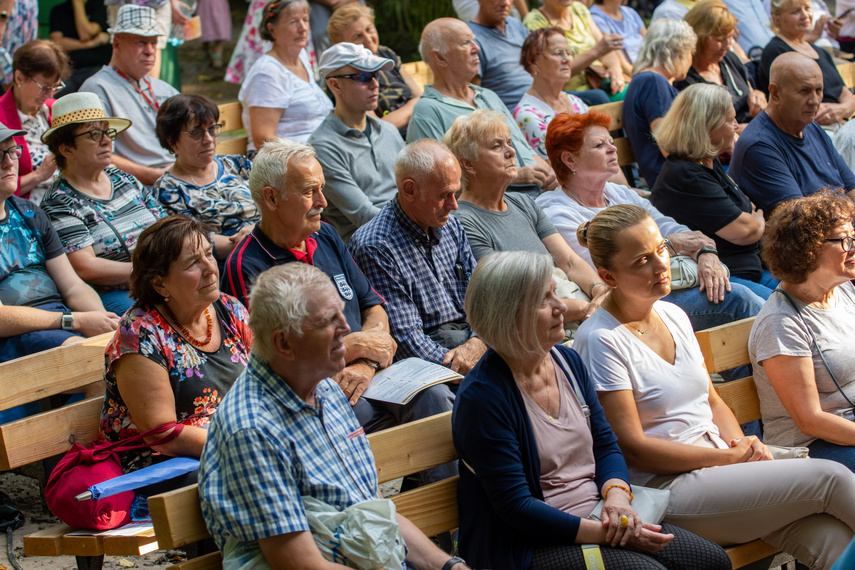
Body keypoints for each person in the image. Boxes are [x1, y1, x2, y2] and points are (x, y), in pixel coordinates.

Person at [573, 203, 855, 569]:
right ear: (608, 277)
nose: (662, 266)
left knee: (838, 543)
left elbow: (713, 402)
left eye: (662, 250)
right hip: (669, 487)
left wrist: (744, 448)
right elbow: (634, 449)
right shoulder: (600, 339)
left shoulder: (673, 314)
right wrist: (728, 458)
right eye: (642, 260)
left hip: (723, 472)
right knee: (832, 478)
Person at [453, 250, 732, 570]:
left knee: (711, 562)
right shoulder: (484, 397)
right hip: (531, 543)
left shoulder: (568, 363)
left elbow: (605, 443)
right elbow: (517, 507)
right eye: (543, 301)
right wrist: (605, 533)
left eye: (554, 293)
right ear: (508, 316)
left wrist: (616, 497)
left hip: (600, 513)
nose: (561, 307)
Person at [198, 262, 470, 570]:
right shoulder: (253, 429)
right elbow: (300, 564)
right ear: (284, 343)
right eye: (329, 320)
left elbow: (379, 515)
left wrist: (451, 566)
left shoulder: (325, 388)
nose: (346, 328)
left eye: (342, 312)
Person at [222, 138, 456, 481]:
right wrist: (358, 347)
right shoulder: (247, 265)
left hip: (370, 374)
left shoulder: (326, 236)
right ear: (271, 198)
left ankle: (450, 521)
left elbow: (373, 305)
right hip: (319, 391)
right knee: (362, 412)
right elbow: (273, 359)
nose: (322, 202)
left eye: (322, 188)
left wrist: (363, 362)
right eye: (308, 192)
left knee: (434, 395)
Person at [536, 111, 765, 332]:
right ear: (569, 160)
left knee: (768, 298)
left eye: (611, 141)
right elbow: (605, 268)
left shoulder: (618, 193)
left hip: (667, 285)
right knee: (739, 301)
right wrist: (673, 244)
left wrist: (705, 252)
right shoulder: (558, 212)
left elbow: (670, 226)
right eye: (599, 145)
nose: (612, 148)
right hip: (633, 306)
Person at [99, 215, 252, 474]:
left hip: (231, 441)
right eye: (193, 262)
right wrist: (243, 445)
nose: (210, 268)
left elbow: (266, 379)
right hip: (162, 462)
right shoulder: (139, 334)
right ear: (159, 283)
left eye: (208, 254)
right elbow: (163, 435)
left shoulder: (229, 309)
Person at [444, 109, 609, 324]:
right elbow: (514, 299)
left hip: (575, 304)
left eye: (509, 143)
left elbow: (569, 261)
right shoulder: (464, 222)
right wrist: (589, 308)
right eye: (496, 146)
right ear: (467, 164)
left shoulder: (523, 203)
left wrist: (600, 291)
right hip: (543, 324)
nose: (511, 152)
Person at [350, 140, 487, 373]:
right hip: (433, 355)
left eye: (456, 193)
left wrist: (480, 342)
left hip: (474, 338)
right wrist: (460, 365)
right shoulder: (375, 246)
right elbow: (407, 339)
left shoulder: (451, 225)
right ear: (409, 190)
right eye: (445, 195)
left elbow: (482, 297)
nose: (454, 205)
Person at [749, 193, 855, 473]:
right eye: (844, 240)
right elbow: (811, 419)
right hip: (812, 448)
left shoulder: (842, 290)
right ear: (808, 249)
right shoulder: (781, 322)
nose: (853, 246)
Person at [0, 120, 119, 365]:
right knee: (98, 364)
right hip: (14, 336)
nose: (9, 162)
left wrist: (105, 323)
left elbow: (72, 286)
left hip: (58, 324)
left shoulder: (28, 212)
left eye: (12, 151)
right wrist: (77, 320)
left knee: (125, 351)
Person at [41, 93, 164, 316]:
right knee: (149, 317)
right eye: (94, 134)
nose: (106, 140)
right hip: (115, 294)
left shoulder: (123, 178)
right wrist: (148, 272)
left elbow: (165, 225)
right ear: (66, 149)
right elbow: (85, 266)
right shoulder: (59, 201)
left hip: (162, 278)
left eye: (107, 132)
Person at [651, 84, 777, 300]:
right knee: (788, 310)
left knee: (814, 293)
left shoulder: (706, 161)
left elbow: (748, 209)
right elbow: (744, 231)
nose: (736, 126)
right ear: (707, 127)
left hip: (754, 268)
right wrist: (757, 221)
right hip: (724, 278)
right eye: (730, 120)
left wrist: (753, 219)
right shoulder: (685, 175)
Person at [408, 18, 557, 196]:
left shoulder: (488, 95)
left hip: (539, 195)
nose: (476, 48)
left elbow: (526, 151)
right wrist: (511, 177)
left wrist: (551, 175)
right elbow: (440, 184)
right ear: (439, 57)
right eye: (466, 42)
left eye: (474, 40)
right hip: (496, 206)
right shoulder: (427, 110)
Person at [729, 52, 855, 215]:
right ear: (775, 93)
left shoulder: (811, 127)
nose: (815, 101)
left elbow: (851, 187)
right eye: (804, 91)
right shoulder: (759, 146)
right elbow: (801, 221)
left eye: (818, 90)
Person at [308, 42, 403, 242]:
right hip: (367, 244)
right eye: (363, 77)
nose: (375, 84)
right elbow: (363, 215)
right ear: (335, 85)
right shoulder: (323, 146)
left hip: (408, 230)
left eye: (376, 75)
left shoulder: (387, 130)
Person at [80, 5, 178, 187]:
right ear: (116, 44)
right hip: (140, 188)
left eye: (154, 43)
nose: (150, 51)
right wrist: (157, 175)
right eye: (141, 42)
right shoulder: (97, 89)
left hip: (178, 178)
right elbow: (98, 156)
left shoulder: (165, 89)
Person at [153, 93, 258, 261]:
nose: (209, 139)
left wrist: (258, 231)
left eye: (212, 129)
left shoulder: (238, 165)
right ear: (172, 141)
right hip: (230, 262)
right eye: (196, 133)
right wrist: (253, 240)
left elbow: (276, 200)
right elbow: (191, 241)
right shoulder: (168, 190)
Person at [239, 0, 333, 151]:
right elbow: (263, 139)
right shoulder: (267, 73)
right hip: (282, 163)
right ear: (272, 29)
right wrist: (310, 154)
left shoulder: (301, 57)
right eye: (293, 22)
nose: (303, 28)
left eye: (306, 20)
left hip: (319, 153)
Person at [326, 3, 422, 137]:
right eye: (357, 36)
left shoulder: (386, 54)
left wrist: (412, 107)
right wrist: (413, 107)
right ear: (341, 45)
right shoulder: (345, 73)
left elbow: (420, 96)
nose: (368, 38)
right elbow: (376, 127)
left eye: (369, 29)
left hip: (417, 127)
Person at [757, 0, 855, 129]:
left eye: (807, 8)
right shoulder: (777, 51)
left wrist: (841, 110)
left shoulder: (819, 51)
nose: (805, 15)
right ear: (777, 19)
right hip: (811, 129)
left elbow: (845, 94)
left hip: (840, 123)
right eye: (796, 11)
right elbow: (792, 103)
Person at [624, 19, 696, 188]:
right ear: (679, 52)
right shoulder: (652, 81)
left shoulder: (650, 81)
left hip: (674, 179)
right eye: (691, 52)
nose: (691, 59)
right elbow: (669, 147)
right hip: (675, 184)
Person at [676, 0, 767, 131]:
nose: (727, 45)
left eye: (730, 37)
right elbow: (696, 132)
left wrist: (757, 95)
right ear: (698, 38)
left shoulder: (729, 59)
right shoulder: (684, 78)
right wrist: (734, 131)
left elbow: (749, 88)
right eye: (719, 39)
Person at [0, 40, 68, 202]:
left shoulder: (55, 109)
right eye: (44, 87)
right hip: (28, 211)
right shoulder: (1, 118)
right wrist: (39, 175)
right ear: (19, 78)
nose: (50, 95)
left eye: (55, 87)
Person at [522, 0, 626, 104]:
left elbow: (605, 48)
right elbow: (549, 72)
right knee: (603, 97)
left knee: (637, 87)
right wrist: (596, 52)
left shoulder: (578, 8)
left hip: (601, 81)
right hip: (570, 92)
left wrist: (614, 68)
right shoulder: (535, 21)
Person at [513, 27, 589, 161]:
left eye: (569, 52)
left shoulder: (576, 102)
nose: (566, 59)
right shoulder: (527, 115)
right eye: (558, 53)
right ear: (534, 61)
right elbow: (559, 170)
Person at [468, 0, 534, 112]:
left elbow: (537, 65)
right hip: (510, 114)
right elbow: (474, 96)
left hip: (540, 102)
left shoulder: (516, 25)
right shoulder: (472, 39)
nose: (505, 3)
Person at [49, 0, 112, 95]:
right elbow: (56, 43)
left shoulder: (99, 7)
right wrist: (91, 44)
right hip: (68, 71)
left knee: (94, 91)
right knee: (54, 94)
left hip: (95, 67)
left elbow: (85, 33)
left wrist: (78, 3)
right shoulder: (58, 10)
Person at [589, 0, 647, 65]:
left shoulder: (630, 12)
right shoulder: (595, 17)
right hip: (632, 71)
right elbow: (622, 65)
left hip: (646, 67)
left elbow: (649, 42)